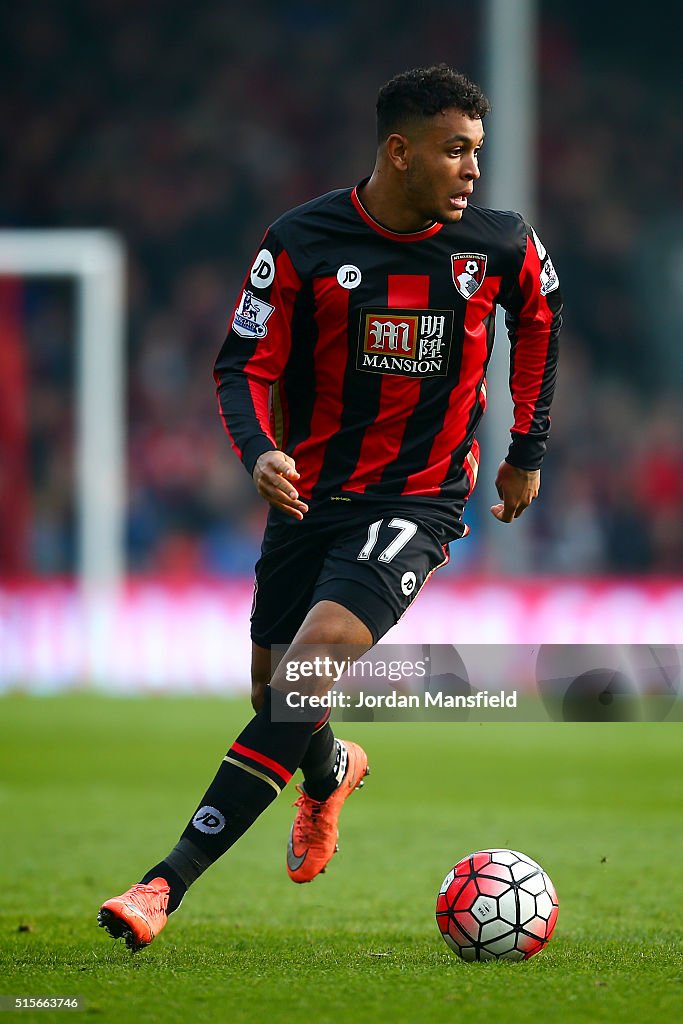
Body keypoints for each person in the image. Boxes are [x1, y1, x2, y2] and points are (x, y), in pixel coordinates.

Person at [98, 64, 562, 951]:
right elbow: (242, 363)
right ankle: (330, 771)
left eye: (476, 152)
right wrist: (260, 451)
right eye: (454, 151)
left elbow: (539, 317)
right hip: (311, 500)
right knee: (275, 692)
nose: (471, 170)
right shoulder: (302, 241)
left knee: (304, 677)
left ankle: (163, 883)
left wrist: (524, 451)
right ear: (399, 151)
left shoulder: (498, 245)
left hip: (418, 500)